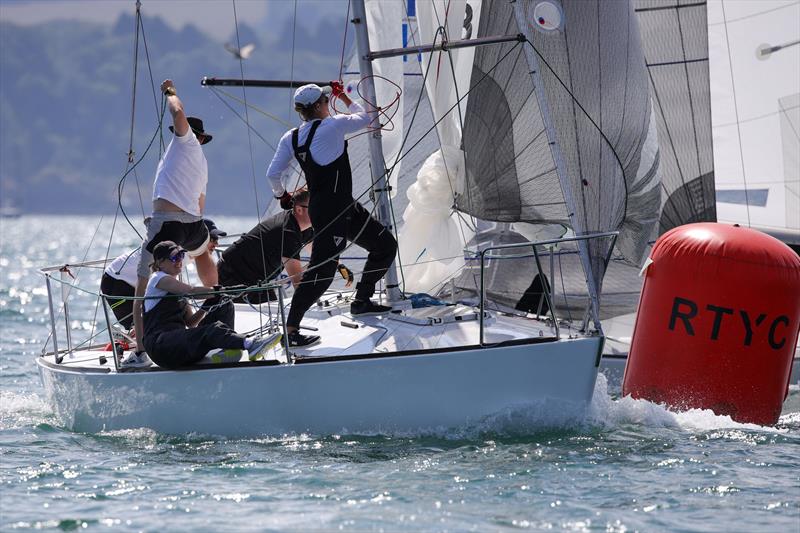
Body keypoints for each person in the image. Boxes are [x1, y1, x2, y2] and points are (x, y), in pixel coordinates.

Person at [266, 82, 397, 347]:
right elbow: (368, 117)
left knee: (384, 244)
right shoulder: (333, 125)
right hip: (333, 213)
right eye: (326, 100)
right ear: (318, 106)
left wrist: (283, 196)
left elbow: (272, 174)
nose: (328, 104)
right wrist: (345, 97)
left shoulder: (291, 137)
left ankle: (361, 300)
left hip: (338, 207)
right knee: (322, 272)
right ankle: (290, 330)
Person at [131, 78, 219, 364]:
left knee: (141, 292)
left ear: (196, 136)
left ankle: (140, 351)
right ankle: (216, 297)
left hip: (169, 224)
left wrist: (170, 92)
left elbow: (178, 113)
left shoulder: (185, 142)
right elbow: (200, 204)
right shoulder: (201, 164)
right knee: (201, 253)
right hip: (195, 226)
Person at [141, 241, 276, 369]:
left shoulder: (175, 286)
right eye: (175, 257)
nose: (180, 261)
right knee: (212, 330)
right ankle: (250, 344)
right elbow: (191, 291)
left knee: (224, 304)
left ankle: (227, 350)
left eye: (181, 255)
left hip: (176, 342)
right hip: (160, 347)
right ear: (160, 262)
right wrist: (218, 291)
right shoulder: (157, 278)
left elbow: (191, 322)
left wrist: (208, 305)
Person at [217, 189, 353, 303]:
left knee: (274, 314)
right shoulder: (288, 232)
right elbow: (298, 282)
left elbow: (319, 252)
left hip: (257, 277)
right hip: (233, 274)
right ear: (299, 210)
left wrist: (339, 266)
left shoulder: (303, 226)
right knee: (268, 317)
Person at [102, 219, 225, 336]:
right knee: (140, 326)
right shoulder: (178, 251)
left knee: (153, 319)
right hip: (116, 280)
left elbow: (178, 287)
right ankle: (133, 343)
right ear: (201, 238)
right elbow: (186, 288)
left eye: (217, 240)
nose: (216, 244)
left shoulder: (183, 254)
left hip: (138, 281)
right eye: (213, 239)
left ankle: (137, 337)